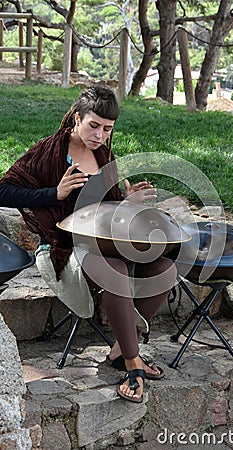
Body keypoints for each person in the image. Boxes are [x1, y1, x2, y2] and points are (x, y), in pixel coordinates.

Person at [0, 85, 177, 403]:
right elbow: (3, 190)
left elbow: (106, 209)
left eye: (107, 129)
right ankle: (133, 364)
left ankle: (120, 352)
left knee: (164, 268)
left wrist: (127, 199)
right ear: (77, 118)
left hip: (103, 243)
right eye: (94, 125)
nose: (100, 135)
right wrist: (54, 193)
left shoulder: (104, 156)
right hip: (62, 247)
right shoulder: (48, 152)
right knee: (116, 269)